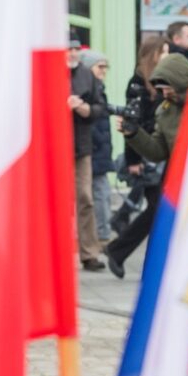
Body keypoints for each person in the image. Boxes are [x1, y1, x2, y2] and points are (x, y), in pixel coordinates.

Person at [107, 52, 188, 279]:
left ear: (181, 81)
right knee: (161, 241)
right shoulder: (165, 111)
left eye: (168, 87)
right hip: (177, 185)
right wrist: (134, 134)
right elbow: (158, 151)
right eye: (160, 88)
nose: (164, 93)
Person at [111, 36, 167, 237]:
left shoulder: (161, 81)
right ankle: (120, 236)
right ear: (153, 55)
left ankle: (121, 225)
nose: (166, 56)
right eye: (163, 52)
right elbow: (131, 122)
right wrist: (132, 159)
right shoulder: (137, 83)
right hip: (145, 148)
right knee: (155, 206)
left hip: (156, 148)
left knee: (155, 204)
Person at [67, 35, 106, 271]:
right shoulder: (49, 71)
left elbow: (100, 107)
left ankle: (89, 253)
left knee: (86, 198)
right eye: (67, 49)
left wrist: (84, 108)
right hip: (54, 148)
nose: (72, 54)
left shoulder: (86, 75)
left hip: (81, 146)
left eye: (74, 49)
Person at [81, 49, 114, 246]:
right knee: (99, 193)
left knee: (99, 192)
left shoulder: (98, 88)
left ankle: (100, 233)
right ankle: (102, 234)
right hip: (93, 148)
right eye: (100, 66)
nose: (103, 71)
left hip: (98, 149)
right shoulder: (89, 89)